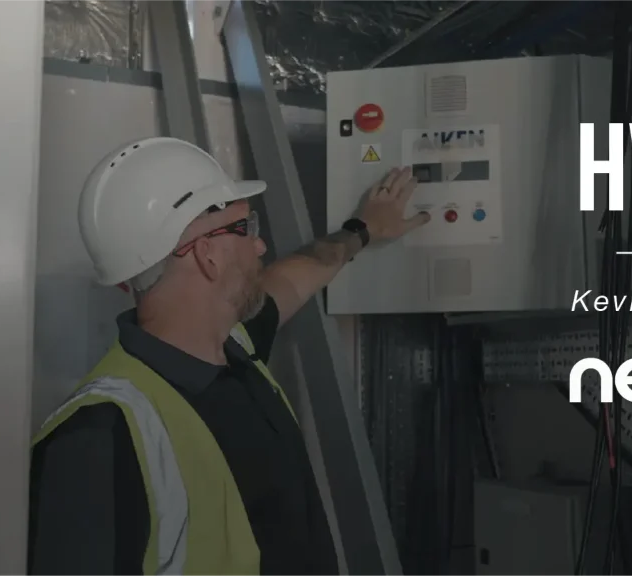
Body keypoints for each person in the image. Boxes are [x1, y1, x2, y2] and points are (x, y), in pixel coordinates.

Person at [27, 136, 430, 576]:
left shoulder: (236, 346)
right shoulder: (97, 438)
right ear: (207, 256)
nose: (259, 247)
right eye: (246, 229)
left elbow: (293, 278)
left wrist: (362, 230)